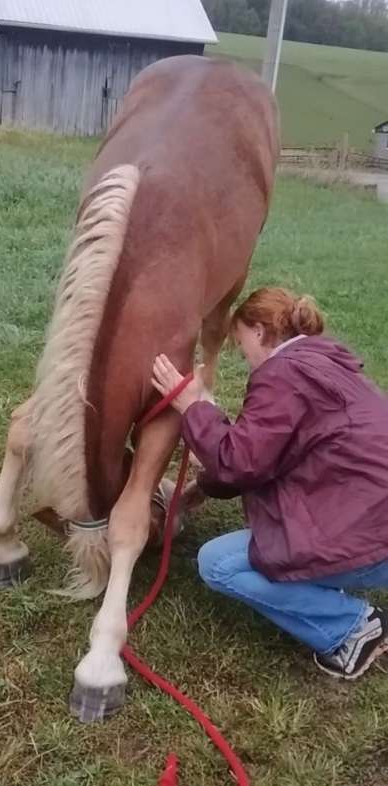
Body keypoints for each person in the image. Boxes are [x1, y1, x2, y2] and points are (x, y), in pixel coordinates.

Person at [151, 287, 388, 681]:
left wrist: (193, 406)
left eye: (242, 344)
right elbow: (265, 455)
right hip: (373, 522)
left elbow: (239, 462)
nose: (245, 358)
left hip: (371, 543)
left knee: (219, 564)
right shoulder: (325, 362)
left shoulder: (283, 375)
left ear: (260, 332)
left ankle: (352, 628)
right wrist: (206, 486)